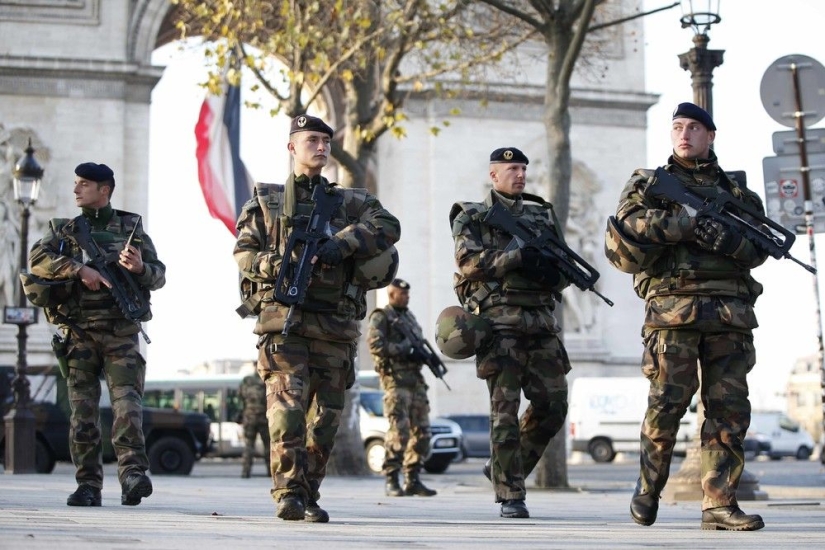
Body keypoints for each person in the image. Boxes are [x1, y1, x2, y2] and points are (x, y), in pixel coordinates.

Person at [605, 102, 767, 531]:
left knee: (729, 411)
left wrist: (730, 240)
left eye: (694, 127)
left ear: (710, 136)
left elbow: (760, 248)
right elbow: (627, 226)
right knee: (667, 405)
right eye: (677, 127)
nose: (684, 135)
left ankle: (718, 503)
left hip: (729, 314)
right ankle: (649, 487)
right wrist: (686, 224)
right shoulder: (651, 183)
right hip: (672, 311)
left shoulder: (738, 193)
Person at [234, 114, 400, 523]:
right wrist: (278, 263)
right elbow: (243, 253)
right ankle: (288, 493)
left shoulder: (350, 201)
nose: (321, 147)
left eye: (326, 141)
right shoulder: (266, 200)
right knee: (287, 414)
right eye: (312, 140)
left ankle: (308, 492)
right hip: (284, 323)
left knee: (325, 420)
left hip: (335, 327)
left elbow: (388, 225)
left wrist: (342, 244)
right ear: (292, 147)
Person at [28, 162, 166, 507]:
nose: (76, 190)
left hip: (121, 332)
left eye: (84, 184)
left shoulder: (130, 228)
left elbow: (159, 275)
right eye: (76, 183)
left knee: (128, 406)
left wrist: (139, 268)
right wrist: (78, 268)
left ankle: (133, 475)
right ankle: (88, 485)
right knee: (83, 413)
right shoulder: (64, 230)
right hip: (79, 334)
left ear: (104, 190)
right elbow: (36, 260)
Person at [448, 147, 572, 519]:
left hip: (541, 323)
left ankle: (503, 466)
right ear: (493, 174)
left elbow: (562, 265)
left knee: (554, 405)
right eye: (511, 168)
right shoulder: (471, 214)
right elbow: (469, 263)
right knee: (504, 410)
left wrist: (552, 271)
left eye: (523, 168)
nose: (520, 175)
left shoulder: (542, 213)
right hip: (499, 325)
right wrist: (516, 258)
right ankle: (511, 493)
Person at [367, 278, 437, 498]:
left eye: (408, 294)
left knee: (423, 432)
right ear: (392, 294)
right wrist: (404, 350)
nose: (406, 297)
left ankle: (413, 478)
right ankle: (392, 479)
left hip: (415, 381)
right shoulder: (382, 316)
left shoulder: (409, 317)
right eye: (402, 294)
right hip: (396, 382)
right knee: (399, 432)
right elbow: (376, 346)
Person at [238, 373, 271, 478]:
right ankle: (270, 471)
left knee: (248, 445)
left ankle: (245, 471)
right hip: (263, 417)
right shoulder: (267, 379)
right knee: (268, 446)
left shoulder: (246, 381)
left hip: (249, 417)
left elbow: (240, 397)